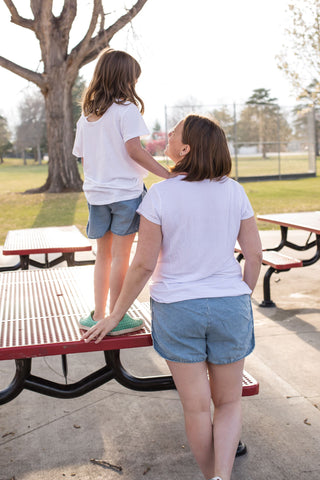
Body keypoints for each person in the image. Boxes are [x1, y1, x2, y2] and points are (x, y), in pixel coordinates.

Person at [82, 114, 262, 480]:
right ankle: (222, 477)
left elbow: (143, 264)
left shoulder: (160, 194)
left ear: (186, 148)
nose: (165, 137)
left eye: (174, 132)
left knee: (196, 409)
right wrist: (243, 294)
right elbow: (254, 254)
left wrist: (115, 314)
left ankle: (212, 475)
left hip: (178, 309)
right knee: (228, 402)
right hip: (230, 305)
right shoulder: (235, 191)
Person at [73, 48, 172, 334]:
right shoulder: (126, 110)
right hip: (125, 195)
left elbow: (83, 157)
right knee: (120, 257)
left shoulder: (86, 117)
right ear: (126, 79)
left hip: (96, 196)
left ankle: (99, 314)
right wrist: (166, 174)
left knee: (102, 256)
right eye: (134, 79)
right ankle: (117, 317)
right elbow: (134, 150)